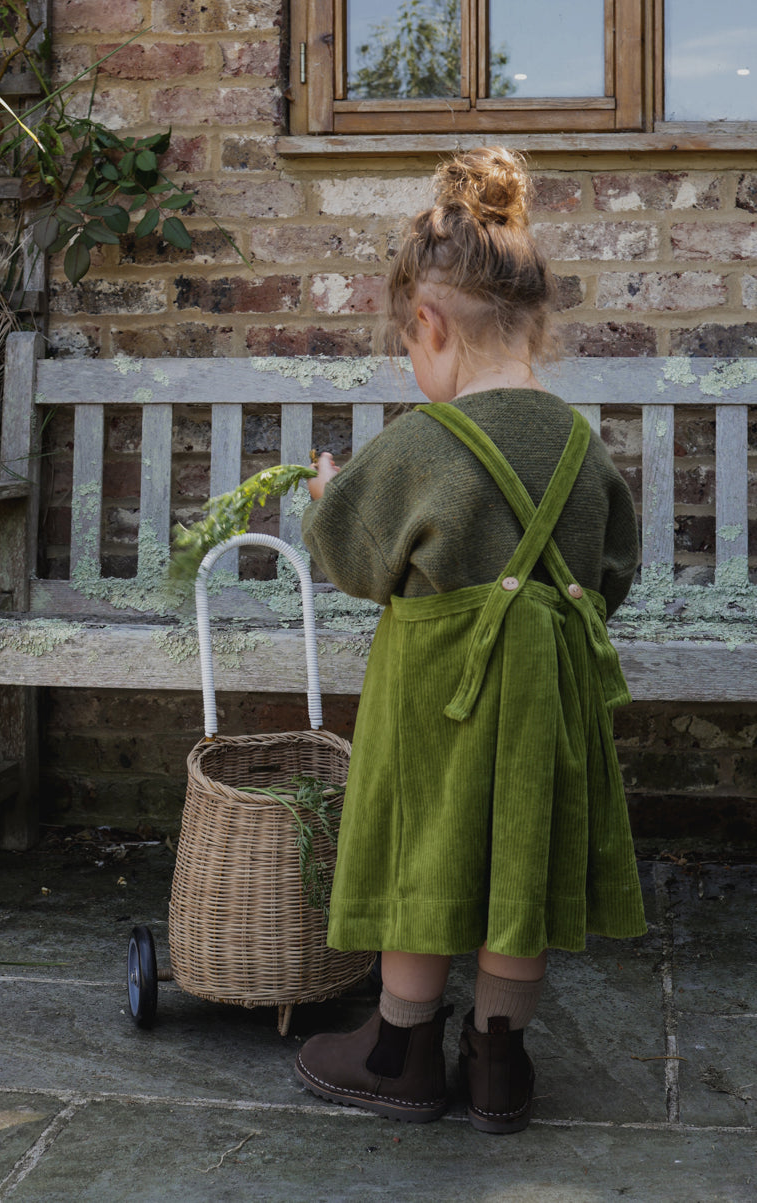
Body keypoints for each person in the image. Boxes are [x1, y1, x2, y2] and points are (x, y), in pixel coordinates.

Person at [293, 147, 647, 1133]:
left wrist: (328, 497)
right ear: (533, 325)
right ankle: (499, 1062)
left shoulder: (421, 444)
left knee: (424, 854)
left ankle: (398, 1051)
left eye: (410, 344)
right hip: (545, 707)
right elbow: (610, 577)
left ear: (431, 324)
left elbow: (355, 559)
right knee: (516, 864)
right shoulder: (579, 447)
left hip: (431, 706)